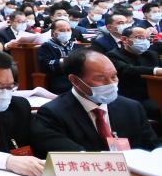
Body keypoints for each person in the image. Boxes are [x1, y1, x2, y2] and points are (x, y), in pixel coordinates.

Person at [31, 48, 159, 156]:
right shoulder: (53, 113)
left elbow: (152, 147)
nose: (111, 84)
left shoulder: (132, 108)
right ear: (75, 80)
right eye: (100, 78)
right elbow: (71, 157)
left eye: (114, 76)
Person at [104, 26, 162, 120]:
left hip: (156, 92)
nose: (145, 41)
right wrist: (155, 71)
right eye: (140, 38)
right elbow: (128, 70)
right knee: (155, 107)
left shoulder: (151, 54)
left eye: (147, 38)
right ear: (124, 39)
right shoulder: (113, 55)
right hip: (132, 96)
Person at [37, 19, 79, 94]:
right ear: (53, 32)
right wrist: (63, 61)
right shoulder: (46, 46)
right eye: (62, 30)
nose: (66, 32)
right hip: (58, 78)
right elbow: (45, 64)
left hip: (77, 77)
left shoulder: (75, 45)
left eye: (68, 30)